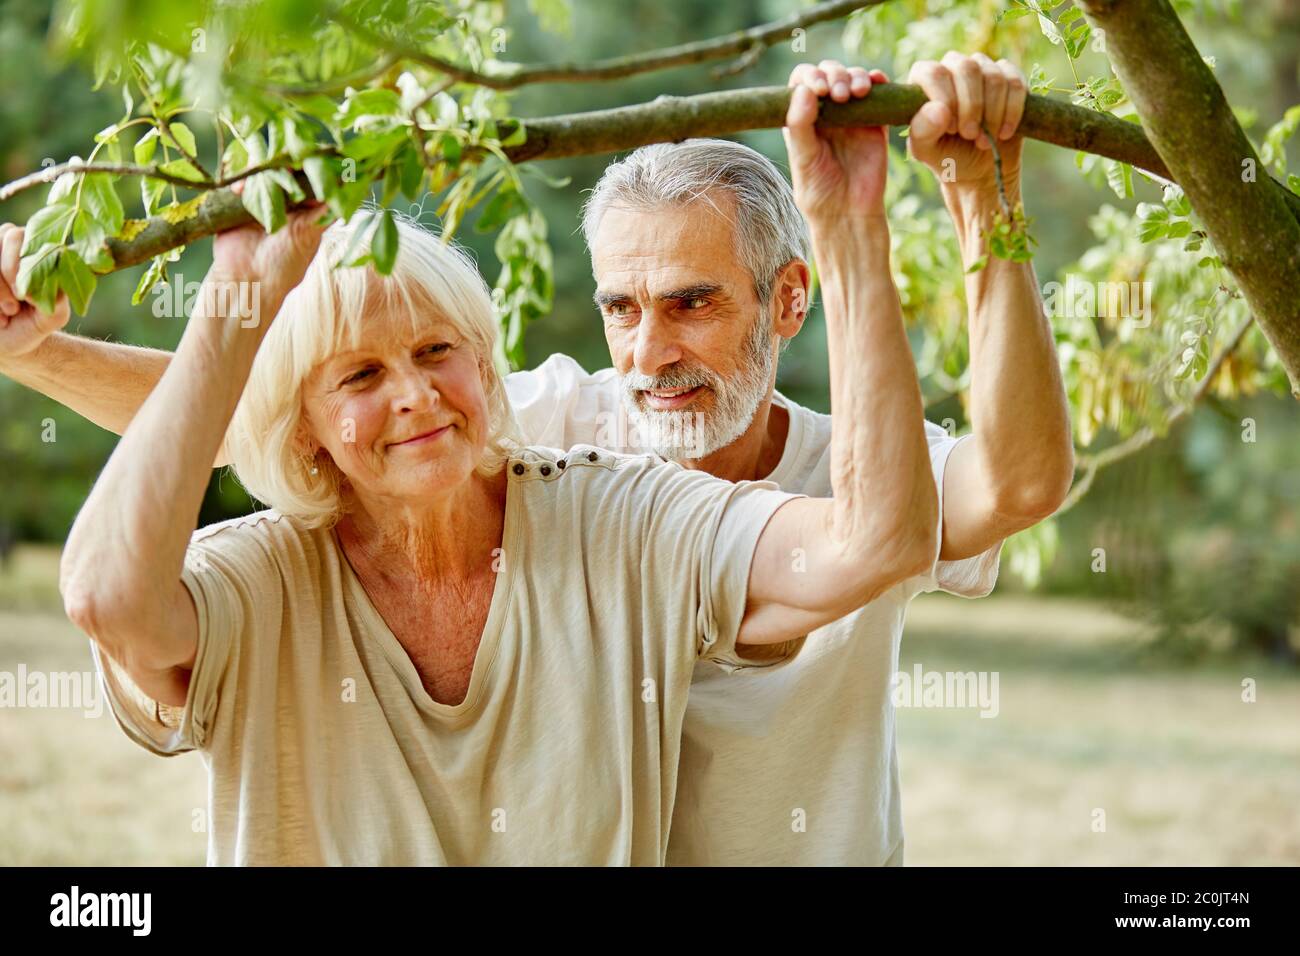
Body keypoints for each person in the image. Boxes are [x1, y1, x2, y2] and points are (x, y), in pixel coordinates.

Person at [0, 54, 1073, 865]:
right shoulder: (550, 432)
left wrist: (984, 202)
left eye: (692, 303)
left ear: (789, 298)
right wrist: (39, 350)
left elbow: (1015, 482)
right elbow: (292, 410)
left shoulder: (852, 462)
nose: (651, 350)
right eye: (621, 307)